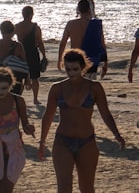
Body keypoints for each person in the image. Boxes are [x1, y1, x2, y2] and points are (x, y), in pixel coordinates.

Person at [38, 49, 126, 193]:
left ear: (83, 67)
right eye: (67, 69)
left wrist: (117, 135)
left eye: (75, 69)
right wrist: (42, 142)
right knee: (64, 187)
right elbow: (47, 116)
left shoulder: (94, 88)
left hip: (87, 142)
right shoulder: (57, 89)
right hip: (62, 142)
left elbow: (105, 114)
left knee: (87, 187)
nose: (71, 73)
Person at [0, 66, 35, 193]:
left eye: (4, 88)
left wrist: (28, 128)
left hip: (13, 146)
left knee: (8, 185)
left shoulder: (18, 100)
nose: (0, 92)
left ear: (10, 85)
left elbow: (24, 124)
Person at [13, 6, 46, 105]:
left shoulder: (17, 26)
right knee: (34, 78)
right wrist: (44, 55)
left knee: (20, 78)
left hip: (20, 53)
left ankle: (18, 97)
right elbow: (40, 43)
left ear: (23, 14)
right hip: (32, 53)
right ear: (32, 14)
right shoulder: (36, 28)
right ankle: (35, 99)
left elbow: (10, 38)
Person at [0, 24, 27, 97]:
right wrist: (27, 80)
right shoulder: (18, 46)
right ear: (13, 32)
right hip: (15, 77)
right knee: (15, 98)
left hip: (0, 75)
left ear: (1, 31)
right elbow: (24, 64)